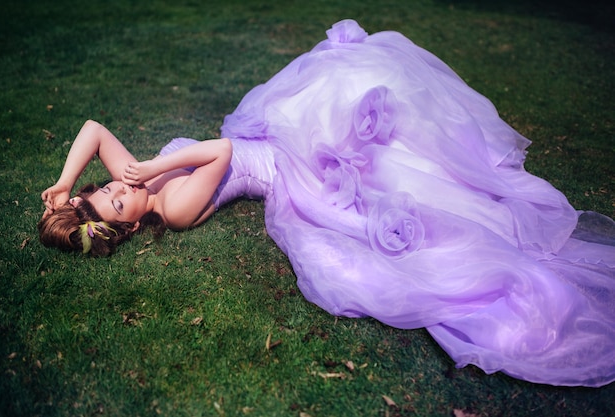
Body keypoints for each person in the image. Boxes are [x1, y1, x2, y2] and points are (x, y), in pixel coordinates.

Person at [39, 20, 615, 387]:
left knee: (345, 77)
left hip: (265, 138)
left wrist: (66, 188)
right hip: (279, 164)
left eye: (107, 187)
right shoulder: (173, 207)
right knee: (350, 122)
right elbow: (221, 152)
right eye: (118, 202)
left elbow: (92, 128)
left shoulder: (132, 183)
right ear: (134, 226)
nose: (120, 188)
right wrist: (160, 167)